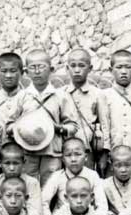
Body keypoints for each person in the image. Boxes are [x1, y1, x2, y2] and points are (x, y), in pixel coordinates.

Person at [5, 49, 78, 186]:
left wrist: (58, 128)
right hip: (27, 152)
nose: (37, 72)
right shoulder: (22, 96)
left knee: (51, 186)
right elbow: (8, 125)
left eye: (41, 67)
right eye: (33, 68)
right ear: (26, 72)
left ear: (51, 69)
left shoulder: (60, 96)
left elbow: (73, 126)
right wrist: (21, 128)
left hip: (52, 153)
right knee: (26, 185)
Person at [60, 49, 110, 176]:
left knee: (87, 181)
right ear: (67, 68)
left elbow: (104, 124)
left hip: (88, 150)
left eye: (82, 65)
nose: (77, 70)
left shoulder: (98, 94)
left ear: (90, 68)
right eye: (73, 66)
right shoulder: (60, 93)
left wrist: (104, 152)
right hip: (63, 150)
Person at [41, 138, 107, 215]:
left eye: (78, 154)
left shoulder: (93, 175)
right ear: (62, 159)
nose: (73, 159)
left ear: (85, 157)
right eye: (68, 155)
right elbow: (43, 201)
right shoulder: (57, 176)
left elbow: (102, 204)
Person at [0, 143, 42, 215]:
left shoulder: (32, 183)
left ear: (24, 162)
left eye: (16, 163)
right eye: (7, 163)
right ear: (0, 163)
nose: (12, 168)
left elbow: (35, 210)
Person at [104, 50, 131, 161]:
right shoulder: (104, 96)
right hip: (113, 159)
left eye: (128, 67)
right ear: (111, 70)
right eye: (119, 67)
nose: (123, 71)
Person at [103, 145, 131, 215]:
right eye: (118, 166)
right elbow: (101, 208)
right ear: (111, 166)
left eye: (127, 165)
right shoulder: (104, 185)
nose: (123, 170)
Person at [0, 53, 26, 127]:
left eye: (13, 71)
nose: (8, 76)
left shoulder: (27, 98)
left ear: (22, 73)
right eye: (4, 71)